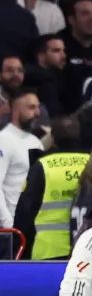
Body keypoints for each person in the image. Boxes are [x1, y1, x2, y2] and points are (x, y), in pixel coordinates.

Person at [13, 127, 89, 260]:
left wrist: (17, 248)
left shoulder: (44, 165)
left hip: (49, 249)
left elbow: (25, 211)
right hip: (87, 248)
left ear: (53, 139)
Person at [0, 88, 43, 228]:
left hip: (32, 221)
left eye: (38, 107)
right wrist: (7, 223)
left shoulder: (36, 142)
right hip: (11, 222)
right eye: (31, 107)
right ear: (16, 109)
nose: (38, 113)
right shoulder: (3, 140)